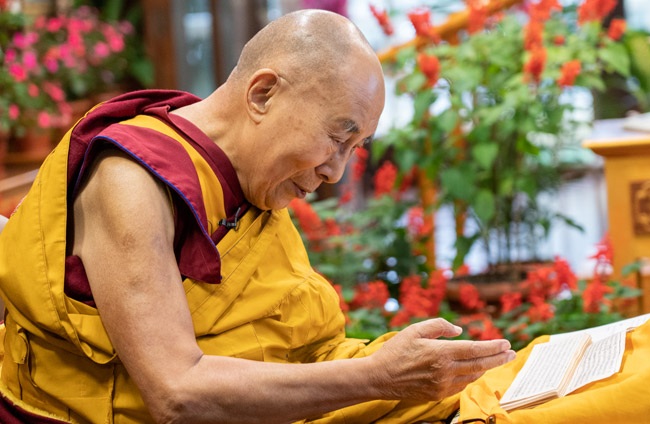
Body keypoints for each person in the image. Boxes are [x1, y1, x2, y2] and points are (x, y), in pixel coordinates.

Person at [0, 9, 515, 423]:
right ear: (263, 93)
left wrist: (397, 373)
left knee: (515, 393)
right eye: (337, 138)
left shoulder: (248, 176)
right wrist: (379, 378)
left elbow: (300, 346)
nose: (336, 172)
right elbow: (177, 394)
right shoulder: (132, 180)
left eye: (355, 148)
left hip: (261, 401)